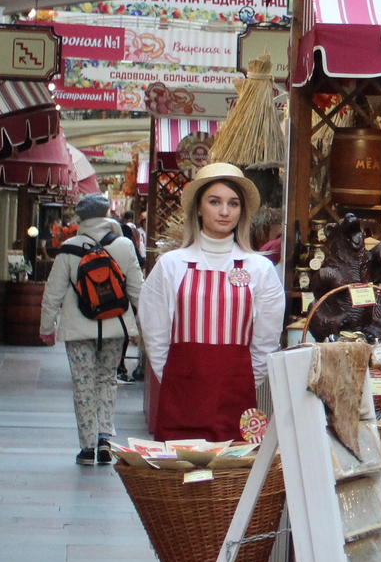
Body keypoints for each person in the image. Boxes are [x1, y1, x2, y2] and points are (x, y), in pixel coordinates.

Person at [138, 162, 284, 441]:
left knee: (232, 481)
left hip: (237, 395)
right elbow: (154, 332)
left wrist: (241, 381)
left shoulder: (259, 268)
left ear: (243, 211)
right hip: (181, 394)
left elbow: (267, 338)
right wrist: (175, 378)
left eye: (233, 203)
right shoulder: (172, 264)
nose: (225, 211)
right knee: (181, 478)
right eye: (215, 202)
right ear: (198, 208)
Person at [41, 194, 145, 466]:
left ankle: (87, 447)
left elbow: (52, 292)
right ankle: (105, 440)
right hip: (116, 327)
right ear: (107, 213)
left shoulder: (68, 248)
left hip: (78, 330)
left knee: (83, 385)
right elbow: (137, 289)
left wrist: (47, 327)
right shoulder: (124, 245)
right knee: (107, 381)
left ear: (81, 218)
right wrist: (143, 326)